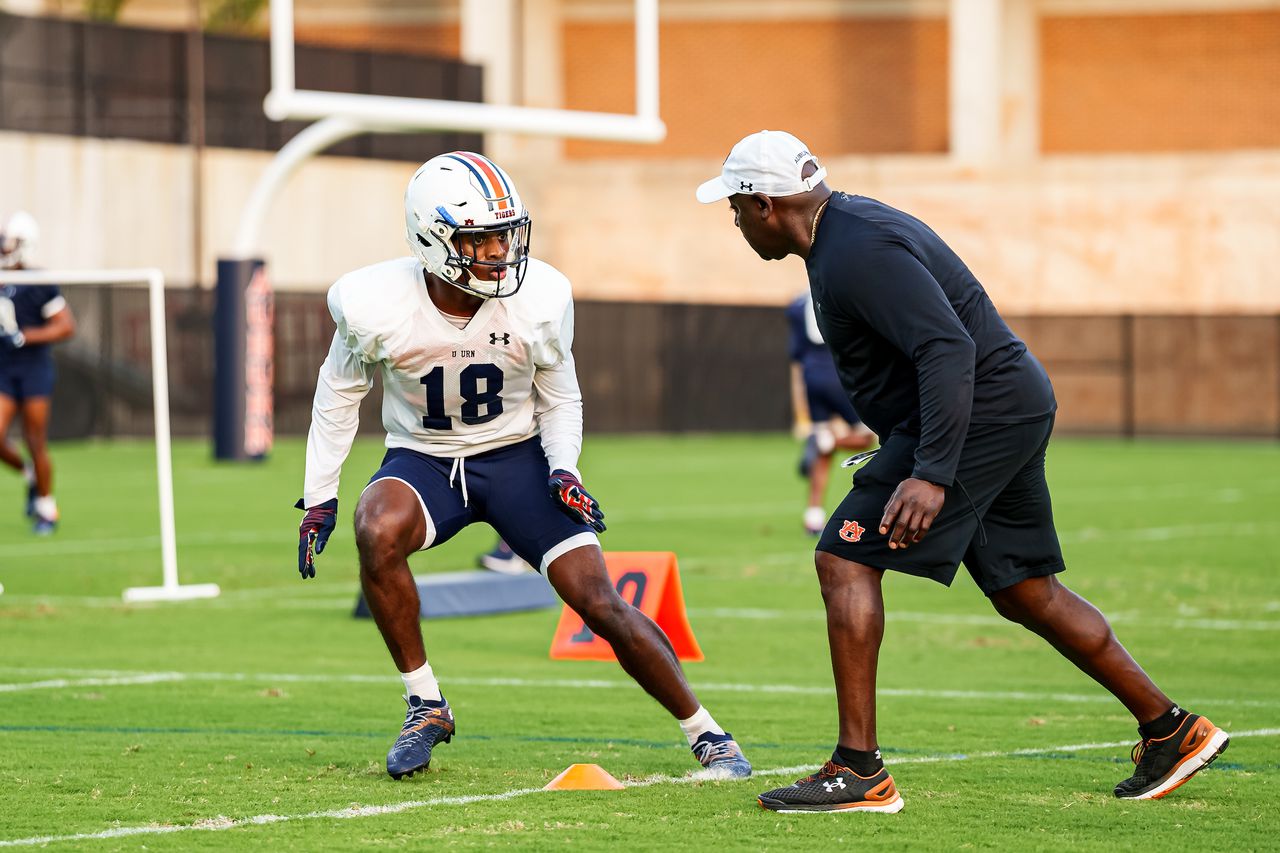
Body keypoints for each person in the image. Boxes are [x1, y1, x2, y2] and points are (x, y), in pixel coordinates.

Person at [697, 130, 1228, 812]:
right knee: (1025, 589)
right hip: (997, 407)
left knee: (844, 559)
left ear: (765, 204)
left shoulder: (854, 249)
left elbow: (946, 345)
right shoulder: (847, 232)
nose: (735, 222)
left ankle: (858, 769)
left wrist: (932, 471)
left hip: (978, 416)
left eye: (735, 208)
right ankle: (1172, 730)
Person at [297, 151, 751, 782]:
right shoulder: (373, 303)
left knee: (596, 601)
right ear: (431, 239)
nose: (497, 253)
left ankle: (709, 734)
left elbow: (562, 396)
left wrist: (564, 470)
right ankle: (425, 702)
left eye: (503, 237)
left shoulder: (538, 296)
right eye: (479, 240)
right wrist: (319, 496)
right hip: (424, 460)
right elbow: (337, 398)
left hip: (517, 457)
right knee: (375, 527)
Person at [0, 211, 76, 535]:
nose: (5, 247)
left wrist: (26, 336)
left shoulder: (38, 281)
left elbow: (65, 326)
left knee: (35, 440)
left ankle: (47, 507)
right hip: (3, 369)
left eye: (12, 241)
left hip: (33, 370)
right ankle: (29, 474)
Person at [786, 289, 875, 535]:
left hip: (811, 377)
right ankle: (827, 440)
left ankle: (813, 517)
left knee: (823, 453)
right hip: (839, 375)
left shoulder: (796, 305)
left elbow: (796, 359)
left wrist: (799, 412)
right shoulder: (842, 294)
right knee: (869, 438)